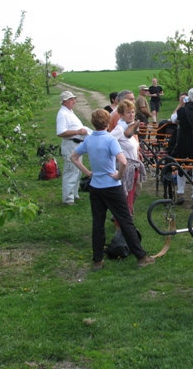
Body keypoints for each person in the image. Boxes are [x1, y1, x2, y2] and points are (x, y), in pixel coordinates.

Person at [69, 109, 155, 270]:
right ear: (108, 122)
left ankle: (97, 260)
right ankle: (141, 257)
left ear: (93, 123)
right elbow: (123, 162)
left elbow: (73, 157)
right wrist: (118, 176)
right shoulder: (110, 140)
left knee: (98, 223)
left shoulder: (89, 139)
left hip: (96, 187)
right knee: (125, 221)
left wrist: (87, 172)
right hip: (112, 187)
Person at [109, 99, 146, 216]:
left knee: (134, 194)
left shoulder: (129, 127)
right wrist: (118, 157)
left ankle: (126, 217)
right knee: (126, 197)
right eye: (128, 112)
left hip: (134, 166)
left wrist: (136, 151)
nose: (132, 115)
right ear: (121, 115)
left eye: (133, 112)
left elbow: (130, 143)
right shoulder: (119, 130)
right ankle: (122, 222)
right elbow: (107, 143)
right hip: (125, 169)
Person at [56, 91, 93, 205]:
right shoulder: (63, 114)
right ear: (64, 101)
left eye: (74, 99)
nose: (74, 101)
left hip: (77, 144)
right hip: (70, 144)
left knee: (77, 171)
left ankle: (74, 194)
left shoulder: (69, 112)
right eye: (71, 99)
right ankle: (68, 198)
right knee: (71, 171)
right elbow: (61, 132)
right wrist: (78, 131)